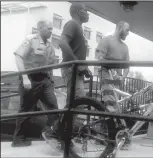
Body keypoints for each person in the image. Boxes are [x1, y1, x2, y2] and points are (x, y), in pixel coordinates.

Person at [42, 2, 92, 152]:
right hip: (71, 69)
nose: (88, 13)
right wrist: (76, 63)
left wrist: (85, 67)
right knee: (78, 101)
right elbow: (62, 43)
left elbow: (76, 50)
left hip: (76, 70)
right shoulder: (72, 24)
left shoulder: (79, 28)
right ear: (77, 12)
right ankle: (55, 133)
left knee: (75, 103)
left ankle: (62, 135)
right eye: (85, 10)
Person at [12, 20, 59, 147]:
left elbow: (51, 65)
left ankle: (52, 134)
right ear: (40, 28)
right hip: (30, 79)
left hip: (45, 80)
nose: (51, 31)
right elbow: (18, 56)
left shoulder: (50, 45)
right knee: (26, 109)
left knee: (53, 107)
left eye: (51, 29)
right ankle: (18, 139)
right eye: (48, 29)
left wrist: (52, 81)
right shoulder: (30, 40)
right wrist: (25, 77)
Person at [96, 21, 130, 114]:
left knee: (115, 105)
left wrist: (123, 77)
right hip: (106, 74)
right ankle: (111, 127)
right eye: (127, 30)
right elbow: (99, 58)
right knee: (111, 105)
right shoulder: (106, 40)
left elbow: (127, 66)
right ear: (119, 28)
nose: (128, 33)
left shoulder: (125, 47)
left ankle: (109, 125)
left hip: (117, 79)